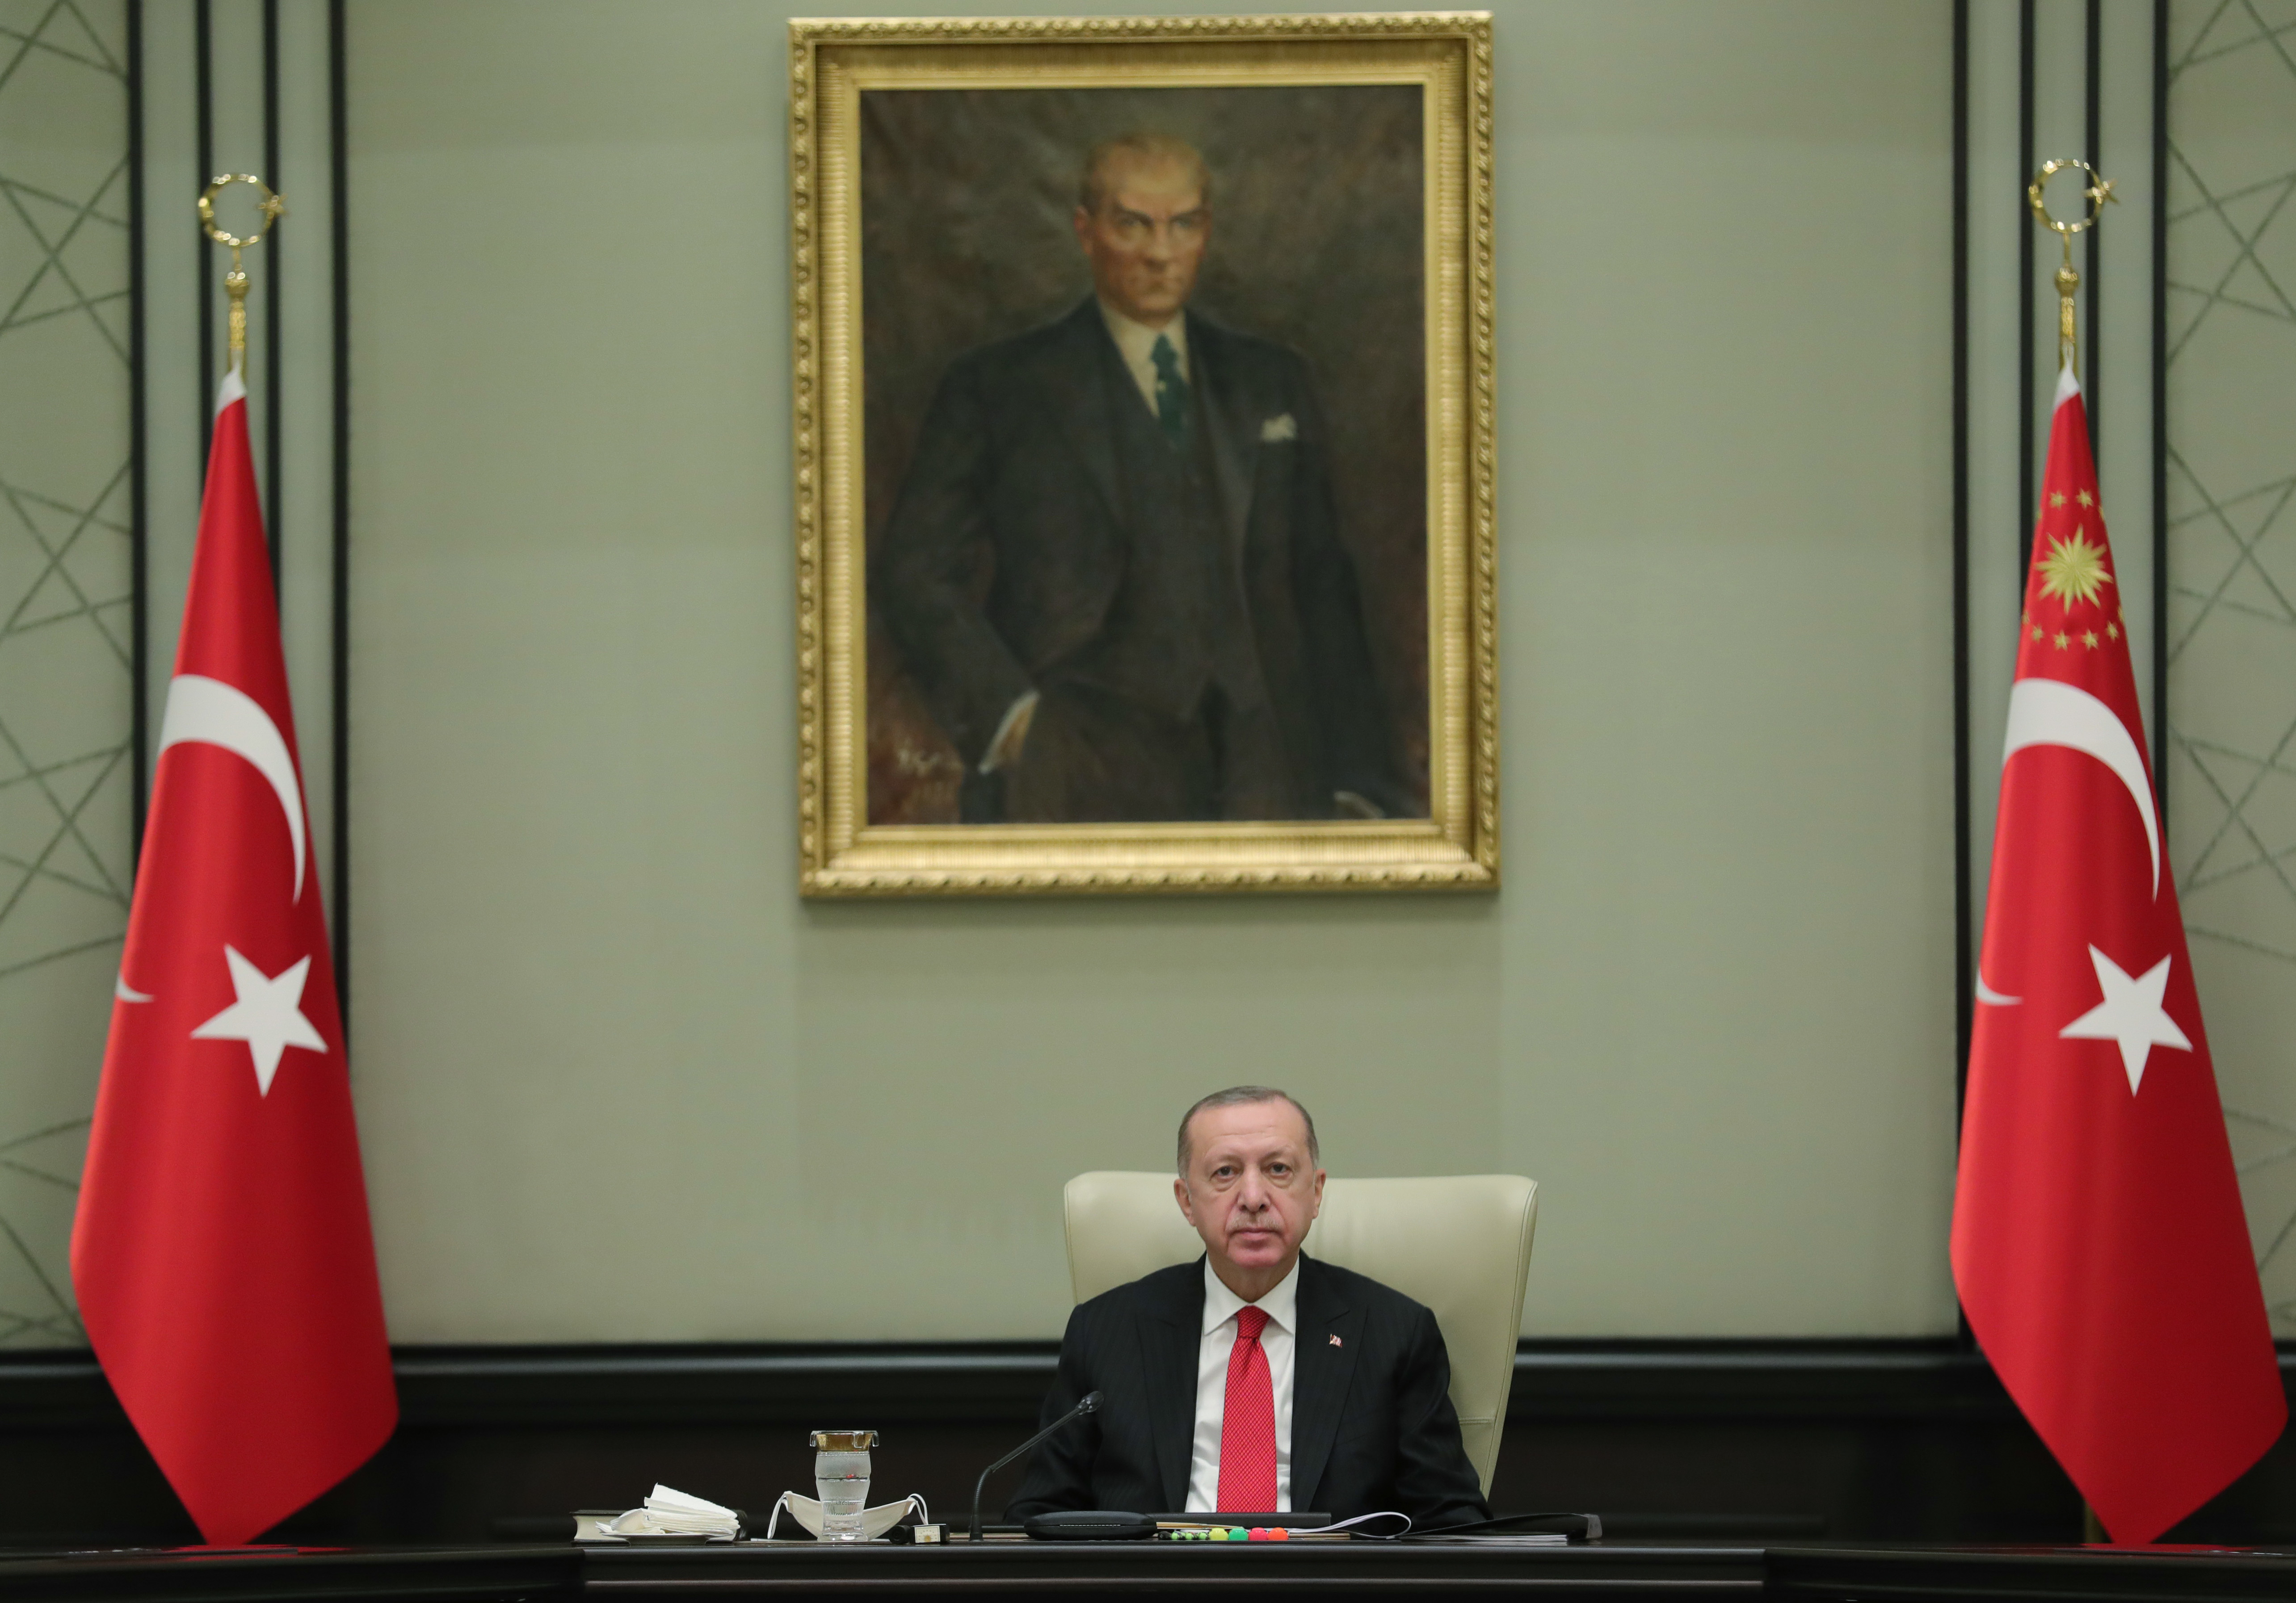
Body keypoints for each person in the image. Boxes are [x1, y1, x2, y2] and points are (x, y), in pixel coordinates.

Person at [877, 133, 1409, 824]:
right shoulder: (997, 387)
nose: (1161, 253)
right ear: (1085, 231)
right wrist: (1012, 721)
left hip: (1265, 770)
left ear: (1205, 233)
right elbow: (914, 573)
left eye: (1182, 225)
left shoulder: (1271, 380)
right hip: (1070, 769)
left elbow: (1321, 585)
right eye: (1132, 225)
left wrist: (1358, 783)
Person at [1003, 1087, 1490, 1527]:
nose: (1254, 1198)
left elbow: (1451, 1520)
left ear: (1316, 1192)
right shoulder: (1105, 1331)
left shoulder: (1394, 1333)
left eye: (1278, 1170)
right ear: (1186, 1200)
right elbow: (1041, 1514)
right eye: (1225, 1173)